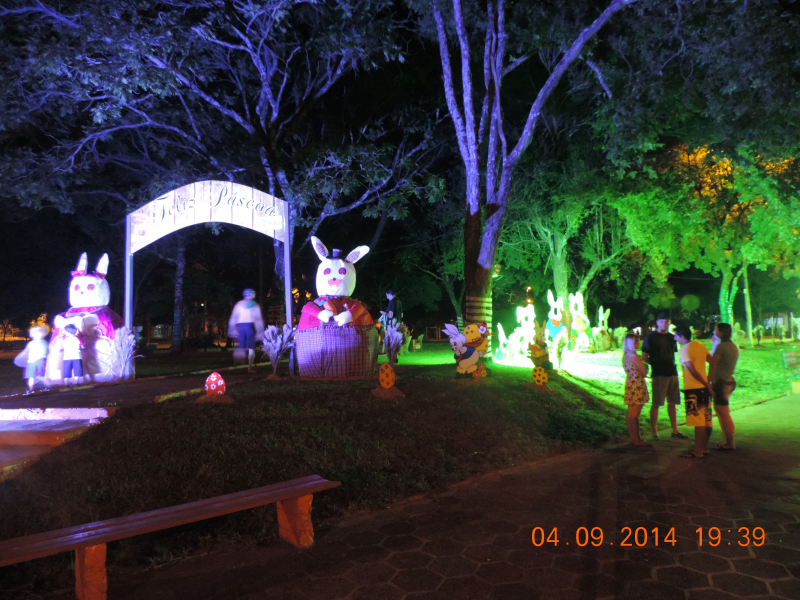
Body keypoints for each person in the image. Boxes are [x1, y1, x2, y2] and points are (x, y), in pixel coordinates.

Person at [641, 312, 687, 441]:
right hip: (659, 374)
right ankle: (654, 432)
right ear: (657, 322)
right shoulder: (650, 337)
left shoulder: (672, 338)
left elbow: (673, 354)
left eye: (666, 321)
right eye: (662, 321)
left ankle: (675, 430)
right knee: (656, 403)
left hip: (672, 373)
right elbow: (644, 356)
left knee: (672, 402)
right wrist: (655, 364)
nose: (664, 324)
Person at [674, 325, 714, 459]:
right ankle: (703, 447)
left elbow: (691, 369)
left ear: (682, 336)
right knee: (707, 418)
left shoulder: (684, 349)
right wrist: (709, 380)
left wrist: (705, 383)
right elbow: (713, 362)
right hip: (704, 389)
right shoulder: (700, 346)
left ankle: (697, 450)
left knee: (698, 421)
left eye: (676, 336)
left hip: (693, 389)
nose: (674, 338)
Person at [709, 323, 739, 451]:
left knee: (724, 413)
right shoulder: (733, 346)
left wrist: (708, 380)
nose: (714, 331)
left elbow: (713, 363)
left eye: (716, 329)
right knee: (721, 412)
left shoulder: (721, 347)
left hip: (721, 383)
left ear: (721, 332)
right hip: (729, 380)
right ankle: (725, 440)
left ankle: (730, 443)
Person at [622, 334, 650, 446]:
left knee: (630, 413)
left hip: (629, 383)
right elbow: (644, 371)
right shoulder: (634, 356)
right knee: (635, 414)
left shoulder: (625, 356)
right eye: (637, 342)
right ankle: (637, 439)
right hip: (637, 384)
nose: (639, 343)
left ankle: (632, 438)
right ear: (632, 344)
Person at [228, 289, 265, 373]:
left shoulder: (239, 304)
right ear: (252, 295)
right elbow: (258, 319)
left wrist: (232, 328)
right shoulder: (254, 305)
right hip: (249, 326)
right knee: (251, 348)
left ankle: (238, 364)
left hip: (240, 326)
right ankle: (249, 368)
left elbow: (233, 317)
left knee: (240, 346)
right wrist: (260, 331)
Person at [16, 326, 49, 393]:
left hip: (39, 361)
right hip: (32, 362)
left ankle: (43, 385)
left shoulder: (43, 343)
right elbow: (26, 351)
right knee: (31, 376)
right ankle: (31, 389)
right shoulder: (33, 343)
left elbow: (47, 351)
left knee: (38, 375)